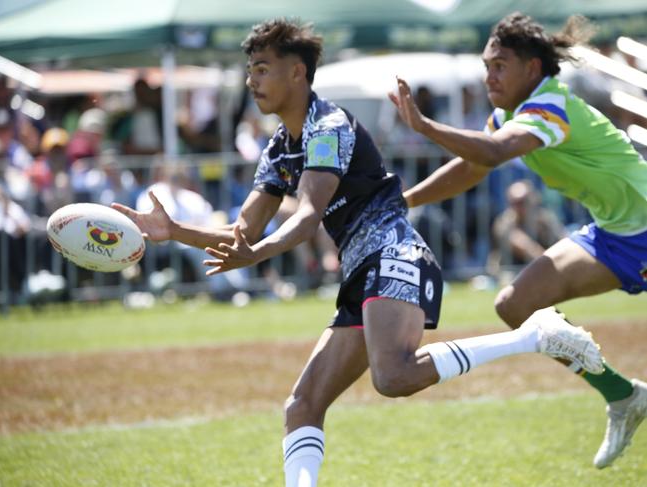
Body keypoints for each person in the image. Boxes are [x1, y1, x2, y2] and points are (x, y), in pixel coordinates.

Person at [112, 19, 605, 486]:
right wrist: (174, 230)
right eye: (250, 70)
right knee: (302, 406)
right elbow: (243, 230)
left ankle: (533, 336)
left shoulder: (328, 126)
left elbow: (306, 218)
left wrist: (257, 252)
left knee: (393, 377)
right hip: (362, 271)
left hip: (394, 254)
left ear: (297, 72)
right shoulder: (280, 147)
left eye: (262, 68)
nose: (252, 81)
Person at [389, 12, 647, 469]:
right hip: (611, 236)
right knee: (516, 305)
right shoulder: (510, 113)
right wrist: (404, 201)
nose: (489, 75)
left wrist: (426, 126)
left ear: (532, 69)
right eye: (487, 65)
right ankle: (623, 397)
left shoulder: (550, 106)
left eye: (499, 66)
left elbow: (493, 152)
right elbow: (473, 167)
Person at [489, 179, 566, 278]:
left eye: (522, 202)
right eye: (514, 202)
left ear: (533, 199)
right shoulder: (504, 222)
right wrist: (555, 266)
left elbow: (562, 240)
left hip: (543, 268)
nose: (518, 207)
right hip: (511, 273)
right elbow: (527, 249)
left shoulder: (545, 218)